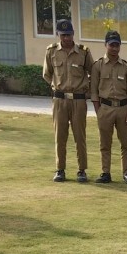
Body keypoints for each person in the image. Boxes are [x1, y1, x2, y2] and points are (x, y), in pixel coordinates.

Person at [42, 19, 94, 182]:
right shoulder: (51, 51)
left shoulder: (83, 52)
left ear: (73, 34)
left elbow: (93, 72)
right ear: (58, 35)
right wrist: (56, 86)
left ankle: (81, 170)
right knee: (60, 136)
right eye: (63, 35)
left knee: (80, 136)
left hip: (78, 100)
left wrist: (86, 90)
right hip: (59, 100)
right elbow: (47, 73)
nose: (66, 38)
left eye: (69, 35)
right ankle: (60, 169)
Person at [89, 30, 127, 184]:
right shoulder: (98, 66)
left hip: (123, 109)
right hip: (105, 108)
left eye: (117, 45)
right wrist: (99, 111)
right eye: (111, 45)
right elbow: (94, 91)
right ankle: (105, 172)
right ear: (106, 45)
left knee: (126, 143)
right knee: (105, 143)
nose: (114, 48)